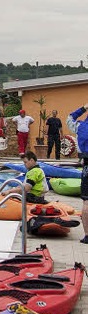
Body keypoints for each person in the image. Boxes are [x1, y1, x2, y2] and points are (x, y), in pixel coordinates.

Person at [68, 104, 88, 244]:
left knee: (86, 202)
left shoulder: (80, 127)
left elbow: (69, 118)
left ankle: (87, 235)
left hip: (86, 166)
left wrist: (83, 108)